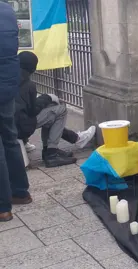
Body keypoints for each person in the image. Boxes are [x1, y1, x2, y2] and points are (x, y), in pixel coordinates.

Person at [14, 51, 96, 168]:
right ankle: (51, 154)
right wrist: (47, 97)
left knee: (51, 111)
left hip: (8, 123)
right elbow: (32, 111)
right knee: (60, 110)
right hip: (19, 127)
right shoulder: (28, 84)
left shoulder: (7, 77)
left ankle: (68, 142)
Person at [0, 2, 32, 222]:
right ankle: (21, 191)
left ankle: (3, 206)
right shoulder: (6, 9)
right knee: (9, 138)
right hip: (8, 83)